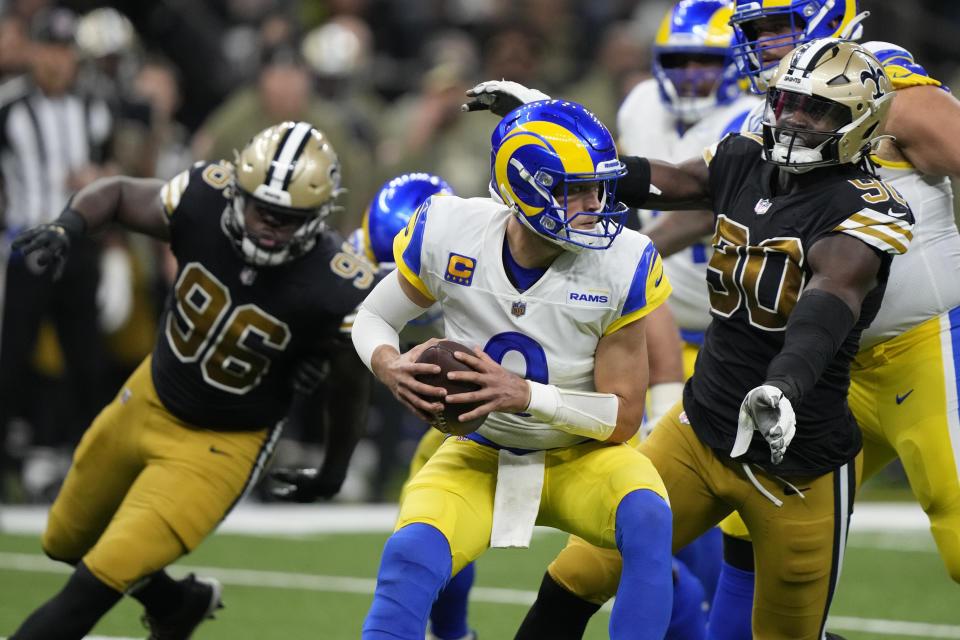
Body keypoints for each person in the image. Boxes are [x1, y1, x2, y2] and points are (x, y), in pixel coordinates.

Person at [475, 38, 914, 640]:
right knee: (577, 575)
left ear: (861, 123)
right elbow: (670, 180)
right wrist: (549, 134)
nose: (792, 118)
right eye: (786, 100)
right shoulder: (745, 157)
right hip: (700, 426)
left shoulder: (862, 210)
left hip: (797, 460)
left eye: (816, 110)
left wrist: (784, 385)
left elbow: (828, 305)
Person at [6, 121, 374, 640]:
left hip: (221, 447)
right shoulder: (204, 196)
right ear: (237, 193)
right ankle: (177, 602)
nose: (268, 228)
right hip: (150, 394)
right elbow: (115, 193)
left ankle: (170, 602)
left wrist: (336, 467)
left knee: (91, 587)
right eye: (260, 210)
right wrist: (69, 224)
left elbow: (351, 386)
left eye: (287, 220)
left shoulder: (335, 285)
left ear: (317, 218)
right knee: (64, 542)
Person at [352, 99, 675, 640]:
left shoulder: (623, 261)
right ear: (525, 185)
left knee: (648, 518)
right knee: (409, 555)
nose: (595, 205)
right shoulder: (451, 229)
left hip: (581, 456)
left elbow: (623, 419)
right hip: (477, 451)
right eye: (575, 189)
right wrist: (388, 364)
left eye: (598, 188)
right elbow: (374, 316)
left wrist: (526, 395)